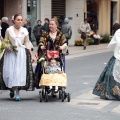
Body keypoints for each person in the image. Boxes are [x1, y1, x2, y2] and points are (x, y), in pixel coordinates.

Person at [0, 14, 35, 101]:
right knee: (10, 73)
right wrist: (8, 46)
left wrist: (31, 54)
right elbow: (5, 41)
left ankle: (17, 93)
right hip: (10, 54)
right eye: (18, 20)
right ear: (14, 21)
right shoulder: (9, 30)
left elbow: (27, 43)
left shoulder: (25, 30)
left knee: (19, 73)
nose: (20, 21)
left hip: (21, 54)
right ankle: (11, 89)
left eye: (21, 20)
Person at [34, 18, 67, 89]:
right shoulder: (45, 34)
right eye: (50, 24)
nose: (50, 26)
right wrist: (41, 46)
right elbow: (41, 41)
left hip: (57, 56)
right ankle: (47, 84)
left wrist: (62, 47)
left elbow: (65, 43)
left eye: (52, 24)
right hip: (47, 56)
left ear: (56, 26)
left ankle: (57, 85)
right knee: (46, 69)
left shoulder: (60, 34)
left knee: (58, 69)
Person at [93, 29, 120, 100]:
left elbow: (113, 44)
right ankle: (112, 92)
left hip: (117, 55)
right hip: (117, 56)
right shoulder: (118, 32)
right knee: (110, 75)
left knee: (111, 74)